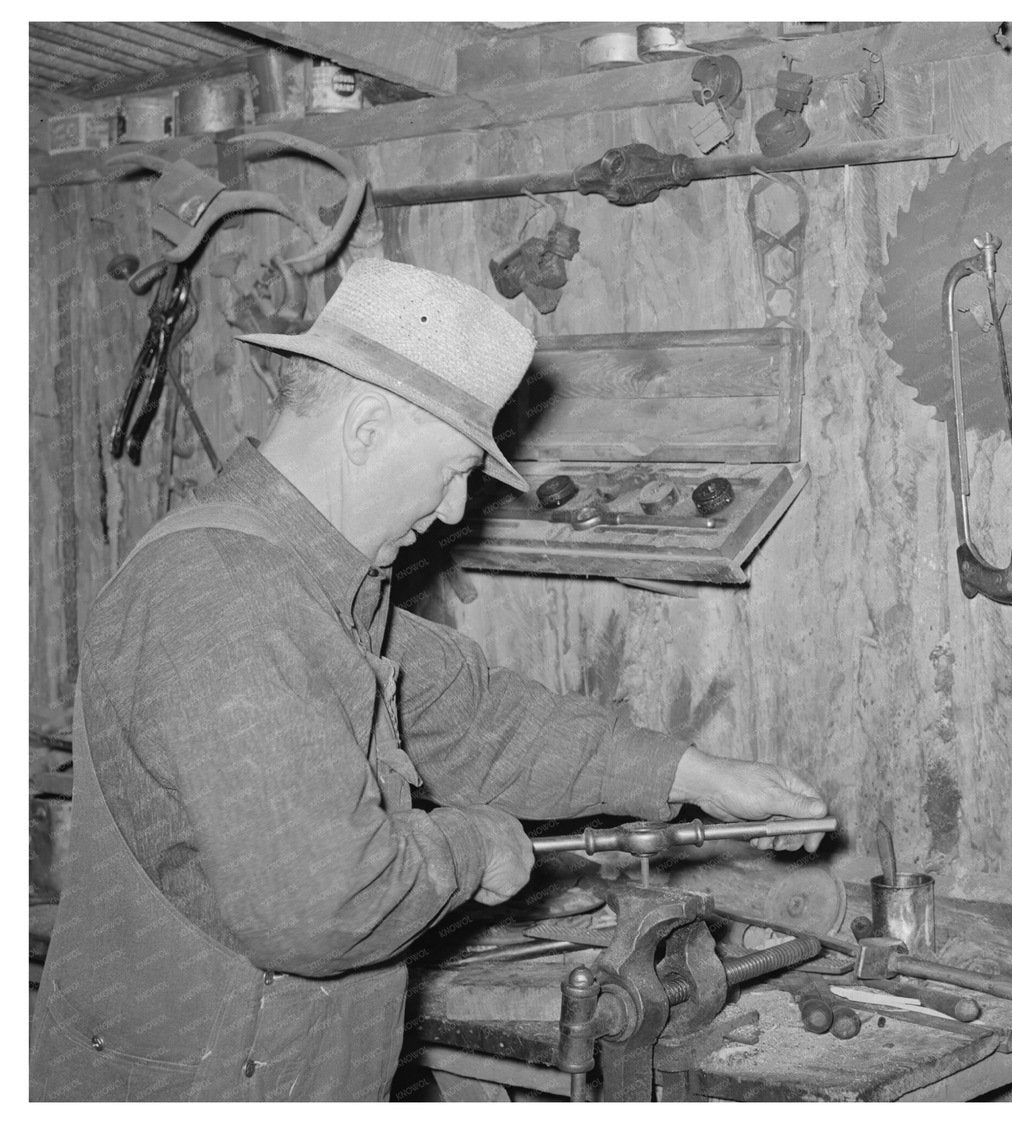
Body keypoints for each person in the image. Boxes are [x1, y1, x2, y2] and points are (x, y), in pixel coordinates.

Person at [30, 259, 828, 1101]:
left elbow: (479, 723)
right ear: (367, 428)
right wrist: (471, 847)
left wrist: (698, 777)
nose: (451, 510)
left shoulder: (314, 585)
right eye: (453, 469)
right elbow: (323, 905)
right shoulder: (227, 594)